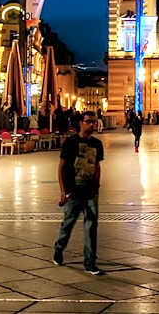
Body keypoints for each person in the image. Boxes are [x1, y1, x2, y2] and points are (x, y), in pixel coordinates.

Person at [53, 110, 104, 275]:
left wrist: (96, 184)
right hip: (73, 190)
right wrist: (63, 191)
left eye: (94, 122)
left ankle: (90, 262)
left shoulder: (97, 144)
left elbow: (97, 166)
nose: (92, 124)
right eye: (89, 121)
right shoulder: (71, 142)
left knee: (91, 225)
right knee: (68, 224)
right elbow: (61, 167)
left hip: (90, 191)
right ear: (81, 123)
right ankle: (58, 249)